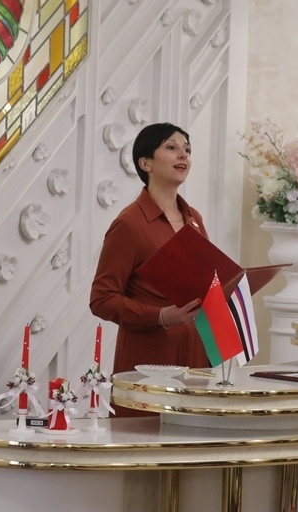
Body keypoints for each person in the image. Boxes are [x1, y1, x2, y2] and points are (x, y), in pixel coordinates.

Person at [89, 122, 211, 417]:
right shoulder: (129, 224)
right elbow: (101, 299)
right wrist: (160, 316)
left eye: (187, 149)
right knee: (147, 439)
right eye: (171, 147)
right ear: (146, 163)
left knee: (195, 440)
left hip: (197, 353)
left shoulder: (193, 218)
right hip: (151, 360)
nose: (183, 155)